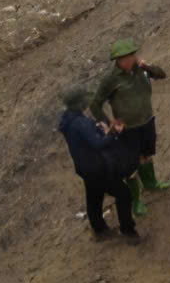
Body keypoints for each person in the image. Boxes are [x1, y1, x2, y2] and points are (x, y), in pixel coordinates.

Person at [89, 38, 168, 215]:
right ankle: (136, 202)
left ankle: (151, 184)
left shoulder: (141, 70)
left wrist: (146, 67)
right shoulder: (110, 80)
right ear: (116, 60)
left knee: (146, 155)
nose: (127, 61)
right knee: (130, 166)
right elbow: (95, 104)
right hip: (128, 129)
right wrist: (109, 122)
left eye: (130, 56)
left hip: (147, 121)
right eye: (123, 58)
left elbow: (162, 74)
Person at [58, 86, 137, 241]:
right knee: (124, 194)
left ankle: (99, 230)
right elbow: (98, 144)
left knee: (94, 197)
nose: (87, 102)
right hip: (98, 169)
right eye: (84, 100)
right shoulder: (81, 123)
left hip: (84, 168)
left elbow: (85, 139)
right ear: (78, 103)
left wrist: (95, 128)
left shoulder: (67, 120)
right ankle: (128, 231)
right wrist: (113, 132)